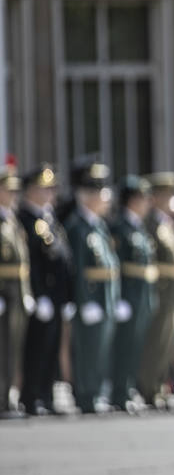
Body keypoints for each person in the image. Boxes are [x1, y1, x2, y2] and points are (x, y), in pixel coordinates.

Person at [65, 161, 121, 414]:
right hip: (91, 299)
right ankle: (86, 395)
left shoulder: (98, 226)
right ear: (86, 196)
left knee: (101, 349)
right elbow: (77, 269)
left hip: (105, 298)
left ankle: (97, 391)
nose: (105, 198)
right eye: (99, 193)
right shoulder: (77, 227)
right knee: (88, 350)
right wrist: (85, 301)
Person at [19, 165, 72, 416]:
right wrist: (38, 295)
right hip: (40, 296)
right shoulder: (25, 219)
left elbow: (63, 260)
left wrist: (67, 296)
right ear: (29, 190)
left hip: (56, 297)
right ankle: (32, 396)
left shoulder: (49, 219)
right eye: (43, 188)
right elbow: (31, 263)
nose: (49, 193)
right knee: (36, 348)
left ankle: (47, 395)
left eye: (51, 189)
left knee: (51, 348)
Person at [108, 176, 158, 411]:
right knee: (124, 346)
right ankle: (119, 392)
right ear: (132, 200)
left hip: (142, 294)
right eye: (143, 198)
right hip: (128, 295)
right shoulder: (120, 227)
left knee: (138, 346)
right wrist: (119, 299)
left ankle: (129, 388)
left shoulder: (139, 227)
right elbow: (116, 265)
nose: (148, 202)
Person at [138, 173, 174, 407]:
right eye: (164, 195)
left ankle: (161, 385)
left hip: (172, 292)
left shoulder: (167, 224)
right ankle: (150, 388)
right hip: (160, 289)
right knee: (155, 342)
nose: (169, 199)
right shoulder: (150, 224)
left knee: (168, 341)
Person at [0, 168, 32, 417]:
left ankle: (8, 397)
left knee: (13, 348)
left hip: (17, 292)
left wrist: (27, 292)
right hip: (4, 292)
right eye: (8, 190)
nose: (12, 195)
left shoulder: (12, 219)